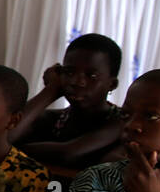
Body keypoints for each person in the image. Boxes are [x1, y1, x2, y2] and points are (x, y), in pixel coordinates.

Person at [14, 33, 123, 172]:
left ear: (112, 84)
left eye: (91, 76)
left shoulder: (121, 121)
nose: (76, 82)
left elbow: (69, 153)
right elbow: (6, 134)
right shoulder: (52, 119)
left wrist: (12, 150)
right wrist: (50, 91)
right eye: (69, 72)